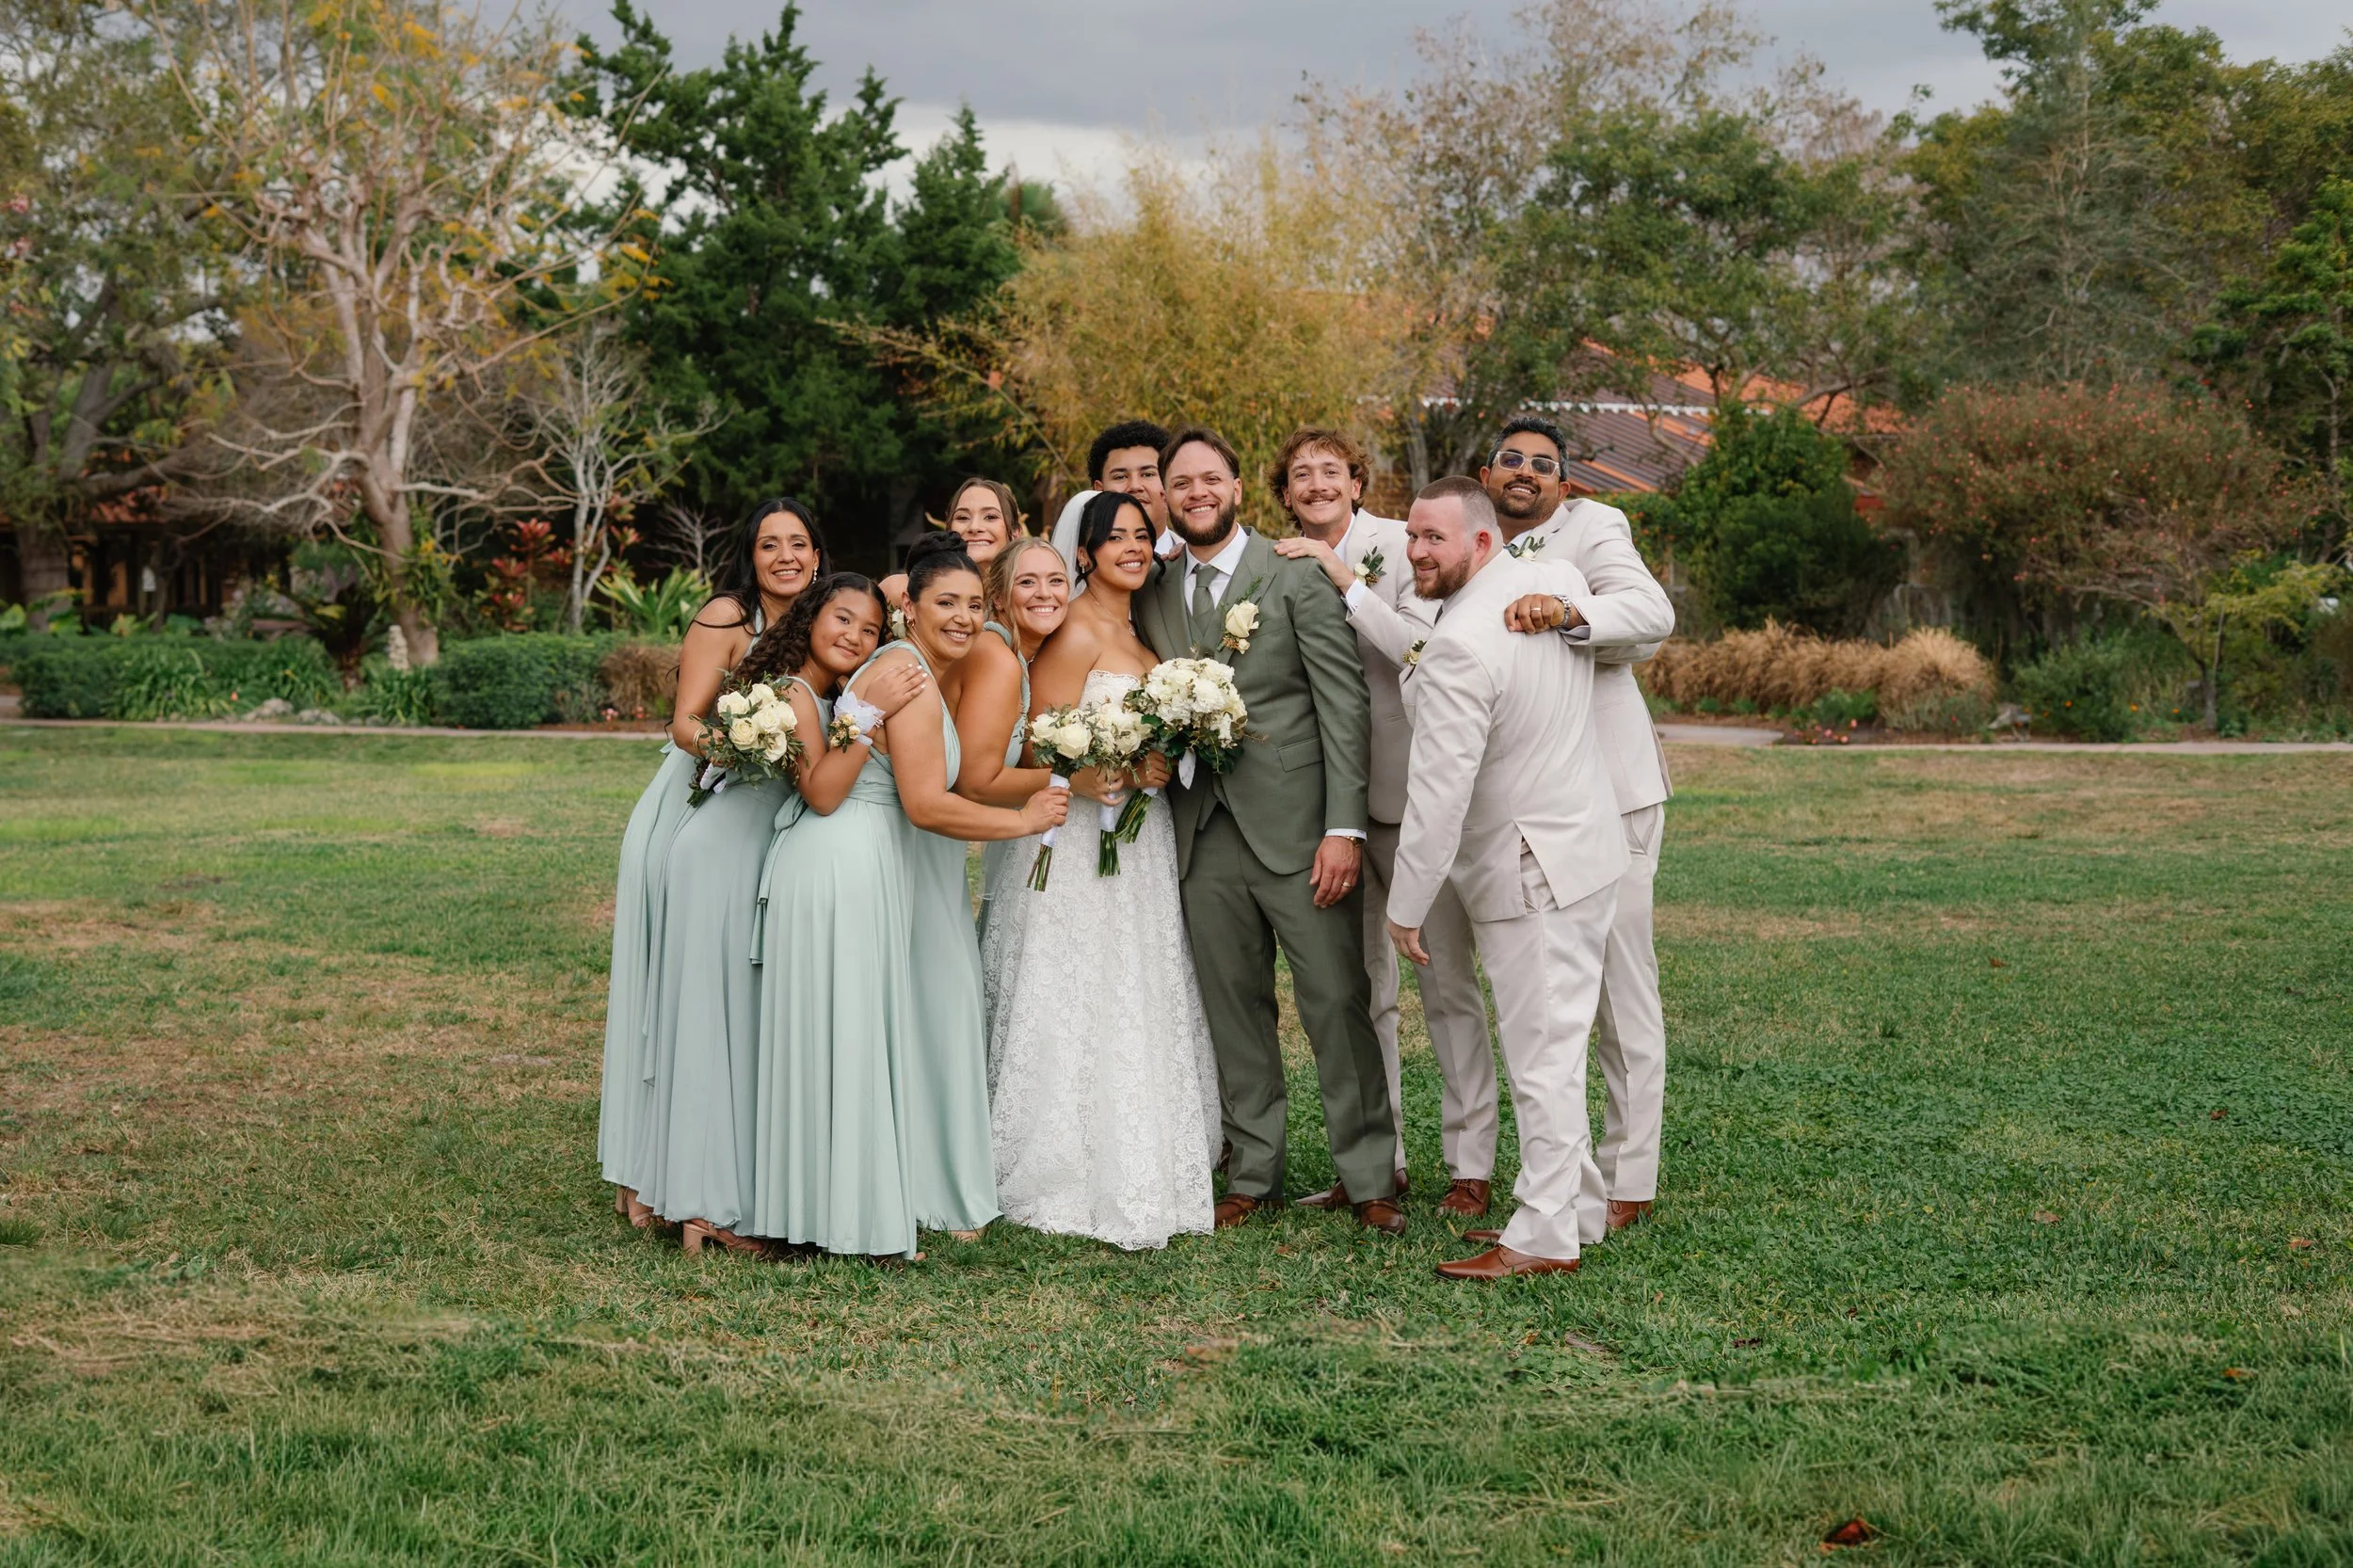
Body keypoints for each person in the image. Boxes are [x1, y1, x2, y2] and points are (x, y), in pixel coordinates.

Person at [754, 534, 1067, 1260]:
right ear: (912, 611)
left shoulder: (915, 669)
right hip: (847, 860)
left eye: (973, 604)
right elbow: (927, 804)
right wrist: (1022, 819)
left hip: (869, 861)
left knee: (854, 1034)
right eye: (945, 603)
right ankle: (864, 1212)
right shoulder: (908, 674)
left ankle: (854, 1201)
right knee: (853, 1034)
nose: (963, 617)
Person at [1132, 425, 1401, 1235]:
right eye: (1181, 484)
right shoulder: (1153, 587)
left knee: (1335, 1001)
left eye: (1210, 479)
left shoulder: (1292, 574)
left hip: (1299, 829)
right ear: (1167, 499)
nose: (1197, 493)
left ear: (1239, 489)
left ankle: (1368, 1175)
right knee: (1233, 1008)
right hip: (1200, 828)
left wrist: (1344, 828)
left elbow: (1342, 705)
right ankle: (1254, 1171)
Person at [1385, 478, 1628, 1280]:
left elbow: (1437, 795)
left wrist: (1407, 907)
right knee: (1557, 1045)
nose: (1417, 551)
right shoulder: (1552, 583)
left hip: (1531, 873)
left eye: (1435, 539)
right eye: (1413, 536)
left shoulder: (1462, 645)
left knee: (1542, 1059)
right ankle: (1580, 1209)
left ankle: (1542, 1236)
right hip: (1586, 850)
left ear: (1482, 544)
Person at [981, 491, 1223, 1249]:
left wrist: (1153, 758)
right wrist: (1098, 766)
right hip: (1080, 841)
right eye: (1112, 537)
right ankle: (1062, 1163)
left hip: (1137, 840)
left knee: (1134, 982)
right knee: (1077, 981)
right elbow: (1033, 747)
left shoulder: (1141, 623)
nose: (1129, 545)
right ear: (1083, 552)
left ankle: (1141, 1148)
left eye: (1140, 535)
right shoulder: (1076, 629)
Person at [1269, 427, 1496, 1218]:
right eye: (1301, 474)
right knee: (1360, 992)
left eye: (1332, 471)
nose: (1317, 483)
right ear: (1286, 493)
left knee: (1444, 984)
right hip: (1330, 813)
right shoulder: (1276, 560)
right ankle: (1378, 1162)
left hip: (1405, 798)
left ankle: (1471, 1164)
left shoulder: (1402, 548)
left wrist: (1344, 582)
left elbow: (1425, 650)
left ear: (1358, 484)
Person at [632, 503, 858, 1253]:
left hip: (776, 841)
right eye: (770, 544)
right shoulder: (728, 616)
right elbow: (686, 723)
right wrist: (750, 749)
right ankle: (693, 1197)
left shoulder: (839, 630)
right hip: (717, 814)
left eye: (799, 543)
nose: (786, 556)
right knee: (701, 1013)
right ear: (750, 556)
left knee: (742, 1019)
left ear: (819, 556)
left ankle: (716, 1192)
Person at [1482, 414, 1677, 1235]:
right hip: (1530, 806)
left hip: (1613, 789)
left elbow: (1648, 611)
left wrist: (1566, 612)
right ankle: (1565, 1186)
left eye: (1543, 464)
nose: (1524, 471)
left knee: (1617, 984)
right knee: (1549, 1002)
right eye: (1510, 460)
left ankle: (1631, 1176)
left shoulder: (1595, 529)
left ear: (1564, 484)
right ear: (1487, 474)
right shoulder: (1473, 538)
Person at [950, 536, 1073, 934]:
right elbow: (976, 782)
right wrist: (1074, 780)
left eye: (1056, 581)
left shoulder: (1016, 655)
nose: (1045, 594)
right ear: (998, 598)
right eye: (1027, 582)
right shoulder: (995, 657)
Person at [1052, 420, 1183, 578]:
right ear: (1099, 490)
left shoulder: (1194, 559)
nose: (1135, 486)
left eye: (1148, 474)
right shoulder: (1069, 571)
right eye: (1120, 477)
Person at [879, 475, 1027, 614]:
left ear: (1015, 533)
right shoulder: (899, 590)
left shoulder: (1030, 600)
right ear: (949, 529)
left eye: (990, 517)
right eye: (963, 517)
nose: (974, 527)